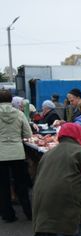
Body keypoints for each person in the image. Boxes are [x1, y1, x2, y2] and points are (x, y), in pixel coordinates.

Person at [0, 89, 33, 222]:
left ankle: (8, 214)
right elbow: (27, 134)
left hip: (1, 153)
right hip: (17, 152)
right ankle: (28, 212)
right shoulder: (19, 114)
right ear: (11, 100)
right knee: (21, 184)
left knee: (3, 185)